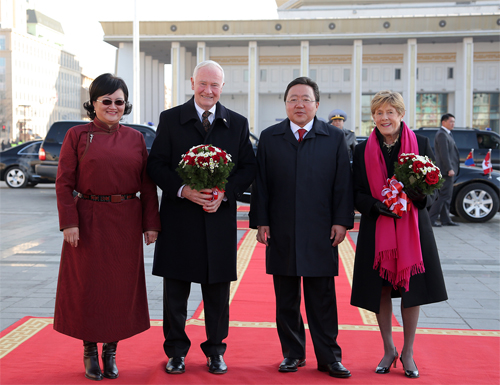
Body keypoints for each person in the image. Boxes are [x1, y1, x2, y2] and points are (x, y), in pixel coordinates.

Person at [147, 60, 256, 375]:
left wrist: (226, 192)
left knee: (218, 294)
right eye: (203, 84)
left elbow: (248, 167)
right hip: (179, 220)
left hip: (217, 220)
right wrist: (183, 190)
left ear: (222, 87)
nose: (209, 91)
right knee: (175, 292)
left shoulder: (236, 123)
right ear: (192, 82)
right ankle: (176, 352)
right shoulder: (170, 119)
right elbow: (156, 165)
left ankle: (215, 351)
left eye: (215, 85)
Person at [54, 73, 161, 381]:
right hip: (87, 220)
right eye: (107, 101)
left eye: (119, 102)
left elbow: (147, 185)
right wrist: (69, 223)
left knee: (119, 289)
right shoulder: (77, 135)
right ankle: (89, 351)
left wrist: (150, 224)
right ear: (94, 103)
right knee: (88, 288)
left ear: (125, 105)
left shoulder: (136, 139)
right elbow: (63, 184)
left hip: (125, 222)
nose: (113, 107)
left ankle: (111, 352)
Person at [250, 77, 354, 379]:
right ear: (285, 104)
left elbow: (342, 184)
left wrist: (341, 221)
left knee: (322, 297)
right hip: (281, 229)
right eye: (293, 98)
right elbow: (262, 184)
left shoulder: (334, 137)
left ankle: (329, 357)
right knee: (286, 298)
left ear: (316, 105)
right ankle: (292, 354)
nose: (299, 104)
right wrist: (262, 221)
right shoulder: (270, 138)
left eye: (306, 99)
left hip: (322, 229)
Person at [350, 90, 447, 379]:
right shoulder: (360, 149)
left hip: (413, 228)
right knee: (379, 289)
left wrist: (415, 197)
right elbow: (355, 192)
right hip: (377, 227)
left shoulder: (422, 144)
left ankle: (408, 352)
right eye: (379, 112)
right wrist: (376, 206)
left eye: (390, 112)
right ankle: (389, 348)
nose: (384, 118)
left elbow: (435, 186)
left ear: (401, 114)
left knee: (410, 288)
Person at [428, 113, 460, 227]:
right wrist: (449, 169)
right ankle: (431, 219)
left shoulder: (448, 134)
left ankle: (446, 219)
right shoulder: (442, 134)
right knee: (442, 196)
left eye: (454, 122)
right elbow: (444, 154)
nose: (453, 124)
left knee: (447, 196)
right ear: (443, 122)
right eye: (451, 121)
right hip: (446, 171)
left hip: (448, 171)